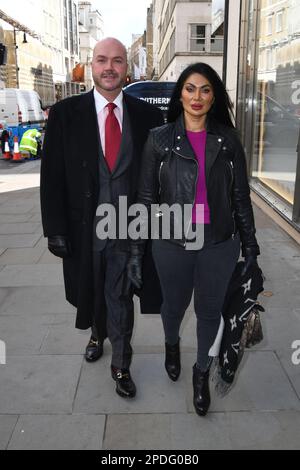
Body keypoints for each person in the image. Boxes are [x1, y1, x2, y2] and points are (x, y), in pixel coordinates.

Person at [127, 62, 260, 415]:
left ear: (214, 95)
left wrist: (251, 250)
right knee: (173, 306)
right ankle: (172, 343)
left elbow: (241, 198)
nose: (196, 96)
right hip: (172, 241)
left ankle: (201, 372)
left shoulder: (228, 140)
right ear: (180, 94)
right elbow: (144, 198)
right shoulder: (159, 139)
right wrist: (137, 254)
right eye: (189, 88)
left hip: (219, 242)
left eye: (204, 89)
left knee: (209, 311)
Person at [40, 38, 164, 399]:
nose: (109, 67)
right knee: (90, 290)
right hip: (83, 230)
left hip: (129, 229)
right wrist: (55, 229)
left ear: (127, 68)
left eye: (118, 61)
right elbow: (52, 177)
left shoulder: (148, 116)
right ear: (90, 66)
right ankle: (98, 332)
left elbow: (159, 177)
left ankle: (121, 365)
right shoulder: (64, 114)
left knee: (121, 296)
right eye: (101, 60)